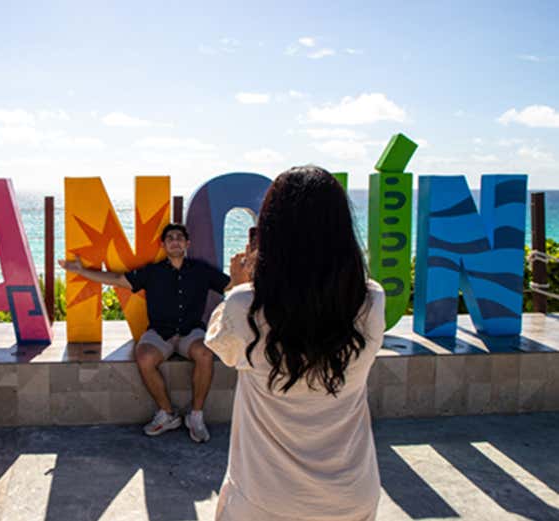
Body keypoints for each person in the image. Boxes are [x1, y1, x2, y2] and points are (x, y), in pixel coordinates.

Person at [206, 166, 386, 521]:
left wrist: (239, 284)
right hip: (352, 495)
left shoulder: (245, 306)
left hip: (266, 498)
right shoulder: (370, 301)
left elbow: (222, 347)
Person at [59, 223, 232, 442]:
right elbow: (117, 280)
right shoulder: (152, 272)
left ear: (187, 244)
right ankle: (167, 414)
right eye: (170, 238)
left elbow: (231, 285)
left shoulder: (201, 271)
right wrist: (81, 271)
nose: (175, 241)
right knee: (144, 357)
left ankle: (196, 416)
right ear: (163, 245)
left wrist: (253, 270)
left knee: (205, 354)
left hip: (191, 331)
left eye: (179, 237)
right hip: (160, 332)